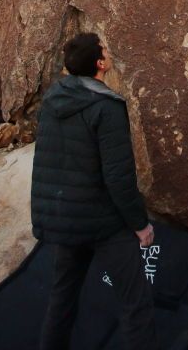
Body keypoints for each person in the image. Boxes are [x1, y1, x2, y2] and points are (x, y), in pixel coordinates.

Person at [31, 32, 158, 350]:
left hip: (64, 218)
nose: (108, 50)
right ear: (100, 64)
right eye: (104, 49)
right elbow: (118, 177)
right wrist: (140, 225)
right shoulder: (106, 107)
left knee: (62, 298)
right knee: (135, 302)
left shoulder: (52, 99)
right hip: (101, 221)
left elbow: (50, 161)